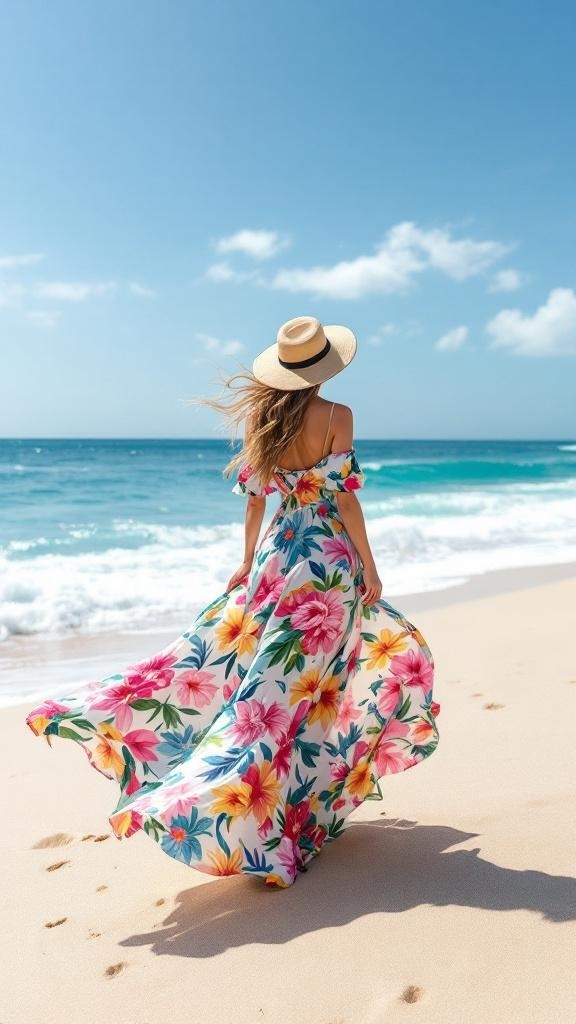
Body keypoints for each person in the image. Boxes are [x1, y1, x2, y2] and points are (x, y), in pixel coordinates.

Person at [25, 315, 440, 889]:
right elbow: (345, 502)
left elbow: (253, 504)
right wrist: (370, 566)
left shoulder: (263, 420)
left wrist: (247, 563)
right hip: (325, 565)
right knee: (305, 696)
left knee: (260, 684)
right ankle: (266, 819)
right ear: (325, 367)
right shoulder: (337, 417)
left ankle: (236, 805)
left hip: (277, 554)